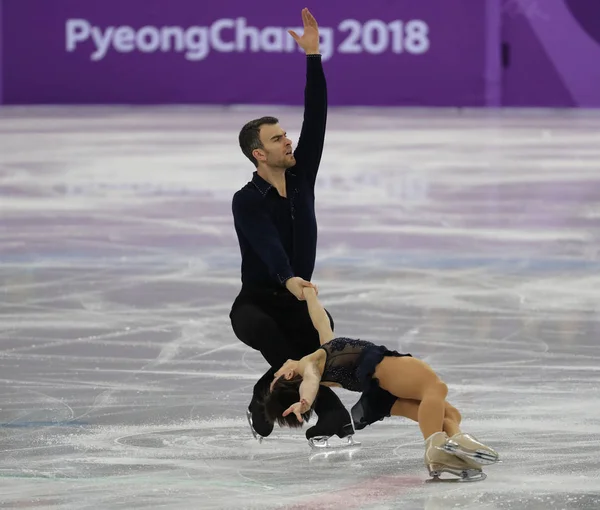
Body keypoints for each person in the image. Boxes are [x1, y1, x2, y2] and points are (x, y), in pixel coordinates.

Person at [229, 8, 356, 447]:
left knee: (315, 351)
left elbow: (316, 115)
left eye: (285, 134)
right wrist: (290, 280)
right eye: (277, 139)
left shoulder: (303, 177)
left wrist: (314, 56)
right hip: (258, 307)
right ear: (258, 155)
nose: (288, 141)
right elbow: (267, 247)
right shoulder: (246, 200)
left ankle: (269, 400)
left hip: (299, 299)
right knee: (282, 343)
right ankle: (331, 414)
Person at [262, 287, 500, 482]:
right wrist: (304, 403)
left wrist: (311, 296)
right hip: (383, 369)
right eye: (276, 376)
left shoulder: (322, 358)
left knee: (448, 413)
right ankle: (437, 448)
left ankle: (448, 447)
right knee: (434, 388)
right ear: (290, 375)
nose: (277, 369)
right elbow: (310, 383)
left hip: (379, 390)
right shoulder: (310, 365)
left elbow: (321, 323)